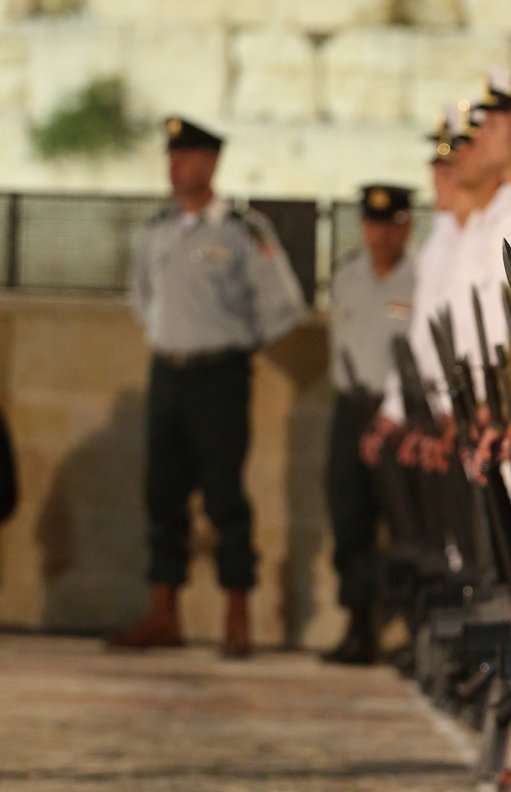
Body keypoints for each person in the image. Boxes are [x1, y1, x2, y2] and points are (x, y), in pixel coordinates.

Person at [108, 117, 306, 658]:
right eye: (171, 156)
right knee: (162, 493)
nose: (176, 166)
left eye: (187, 156)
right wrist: (168, 335)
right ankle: (162, 612)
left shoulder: (243, 231)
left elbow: (284, 305)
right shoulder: (157, 231)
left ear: (211, 163)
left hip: (220, 376)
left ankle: (237, 616)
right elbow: (141, 296)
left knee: (224, 496)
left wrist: (240, 344)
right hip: (168, 372)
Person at [324, 184, 415, 666]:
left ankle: (408, 625)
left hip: (399, 411)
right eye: (371, 224)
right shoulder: (346, 275)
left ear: (406, 225)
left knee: (404, 519)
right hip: (351, 407)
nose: (379, 234)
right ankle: (358, 624)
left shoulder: (421, 277)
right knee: (348, 515)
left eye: (389, 223)